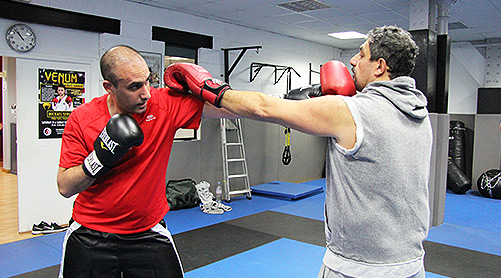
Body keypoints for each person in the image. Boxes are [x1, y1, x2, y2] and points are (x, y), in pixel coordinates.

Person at [165, 26, 432, 278]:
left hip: (358, 268)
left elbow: (263, 108)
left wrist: (211, 88)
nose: (352, 61)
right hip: (410, 263)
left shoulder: (351, 111)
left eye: (361, 54)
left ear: (380, 67)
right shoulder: (419, 113)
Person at [57, 45, 232, 277]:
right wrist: (99, 158)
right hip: (89, 233)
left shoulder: (163, 104)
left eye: (148, 81)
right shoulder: (82, 118)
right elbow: (65, 186)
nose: (146, 93)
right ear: (109, 87)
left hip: (147, 232)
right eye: (134, 87)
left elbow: (237, 108)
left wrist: (212, 90)